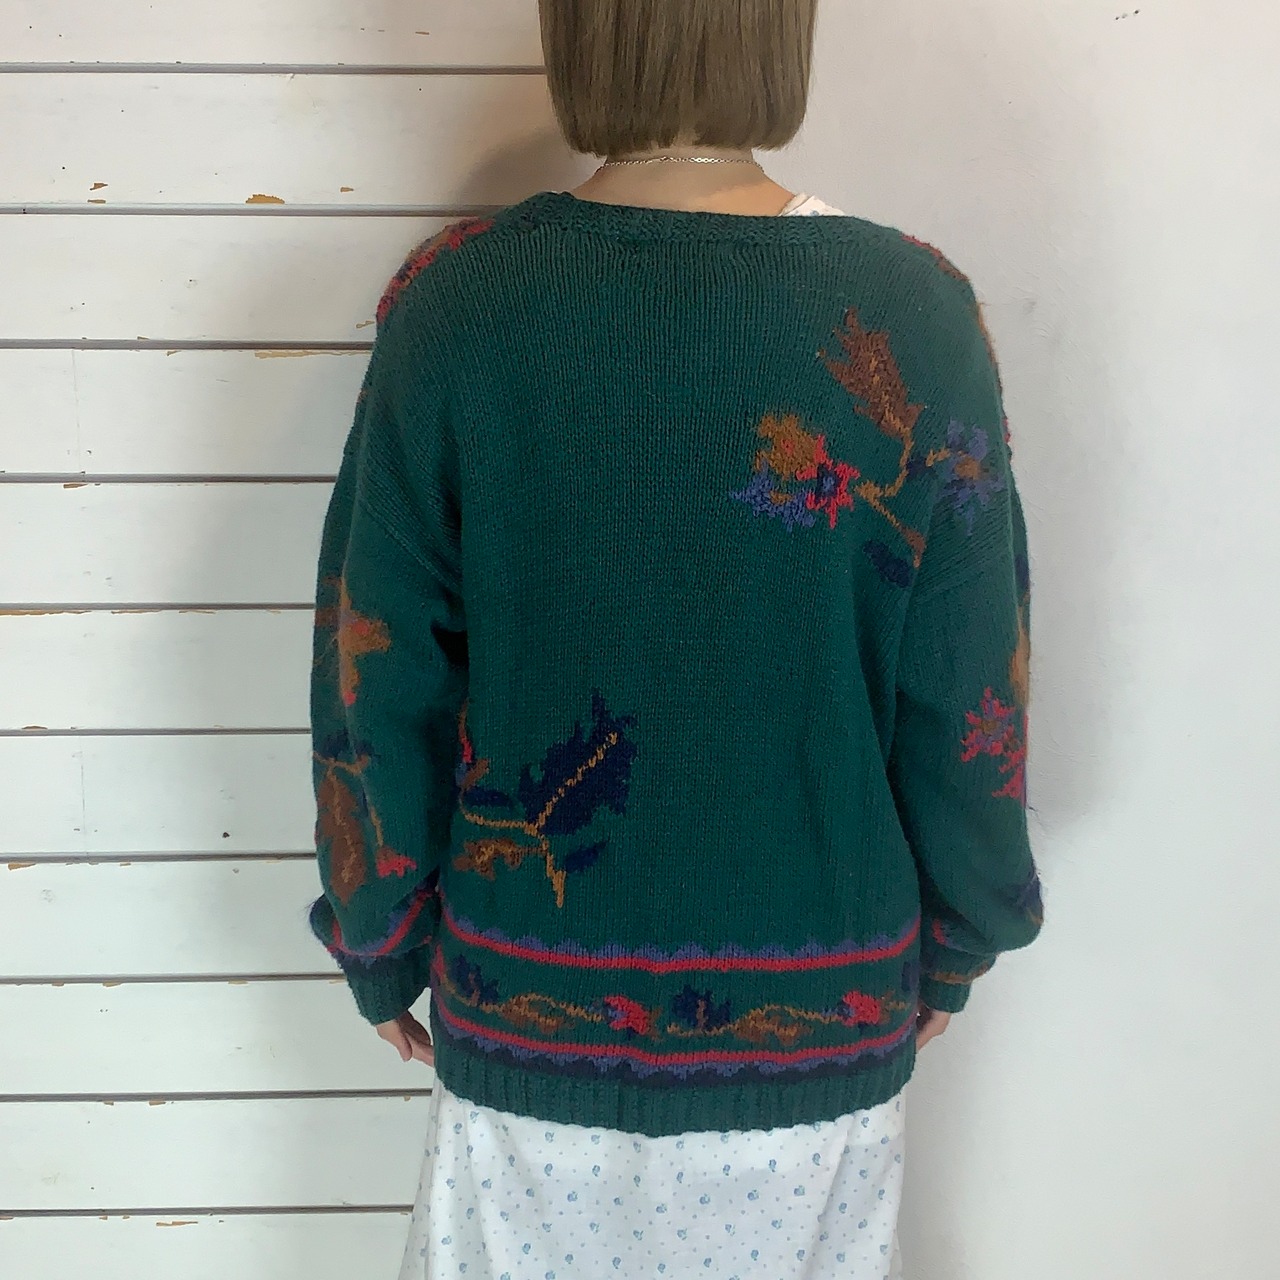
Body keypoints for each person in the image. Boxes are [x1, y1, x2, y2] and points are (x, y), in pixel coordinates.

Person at [305, 2, 1043, 1276]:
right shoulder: (912, 309)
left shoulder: (459, 304)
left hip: (527, 995)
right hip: (823, 999)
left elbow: (375, 663)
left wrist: (377, 932)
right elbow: (971, 683)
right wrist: (962, 933)